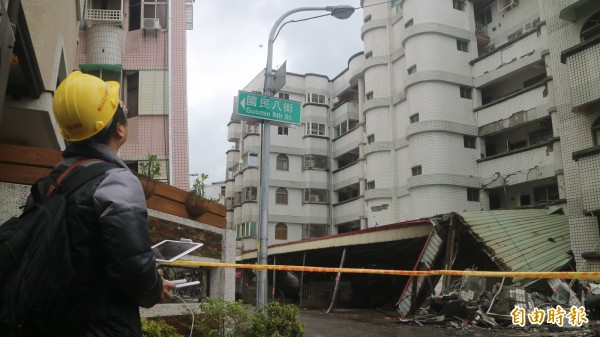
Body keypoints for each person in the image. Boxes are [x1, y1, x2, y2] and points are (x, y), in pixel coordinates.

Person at [27, 71, 176, 336]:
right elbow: (135, 271)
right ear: (120, 129)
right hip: (100, 327)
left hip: (47, 322)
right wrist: (155, 287)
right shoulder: (116, 182)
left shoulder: (50, 182)